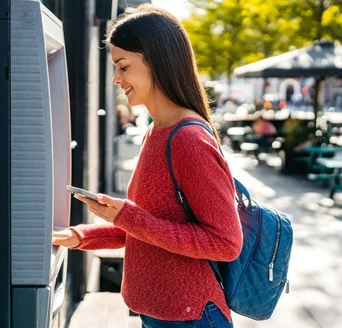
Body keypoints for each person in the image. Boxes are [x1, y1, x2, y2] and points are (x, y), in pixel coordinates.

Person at [52, 5, 243, 328]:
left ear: (157, 60)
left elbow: (225, 243)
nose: (115, 79)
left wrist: (128, 215)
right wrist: (80, 236)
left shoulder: (189, 140)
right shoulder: (157, 132)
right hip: (163, 315)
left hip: (191, 318)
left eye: (123, 66)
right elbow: (147, 229)